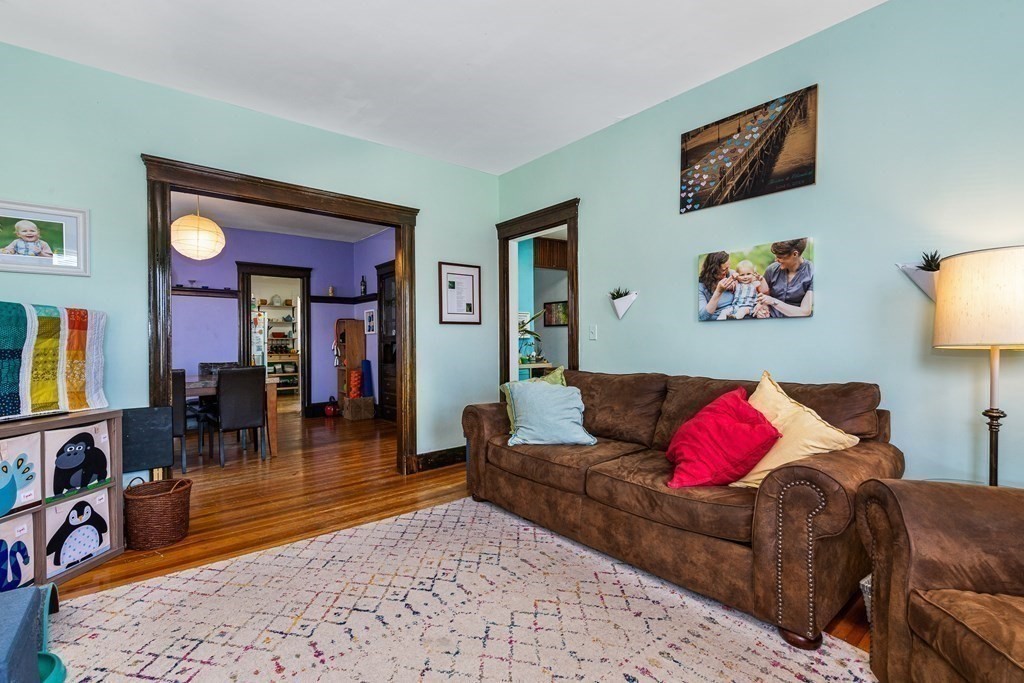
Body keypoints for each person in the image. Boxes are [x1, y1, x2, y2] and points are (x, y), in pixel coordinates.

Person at [756, 238, 813, 318]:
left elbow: (804, 312)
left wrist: (773, 301)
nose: (776, 260)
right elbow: (762, 295)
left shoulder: (812, 273)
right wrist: (762, 307)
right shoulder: (771, 270)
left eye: (780, 257)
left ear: (795, 254)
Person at [697, 251, 736, 321]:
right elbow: (702, 316)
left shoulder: (731, 274)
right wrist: (718, 292)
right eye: (724, 270)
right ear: (713, 270)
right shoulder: (700, 286)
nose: (727, 271)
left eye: (728, 267)